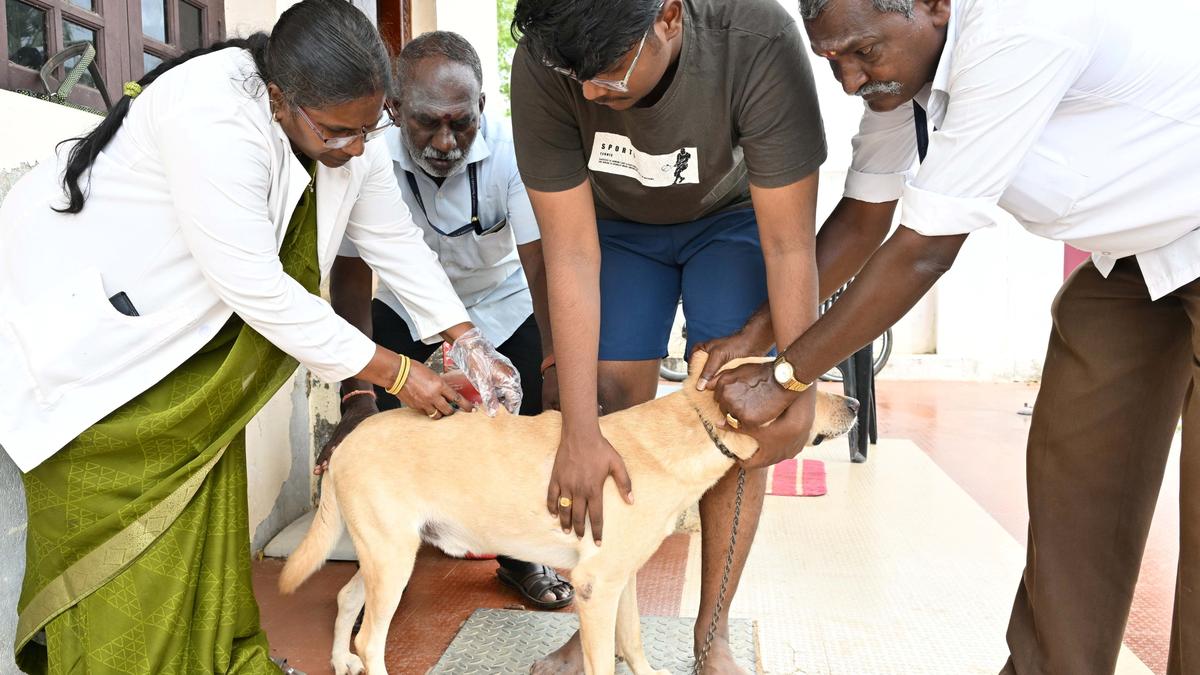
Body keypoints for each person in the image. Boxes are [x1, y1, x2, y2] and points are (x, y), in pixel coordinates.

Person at [0, 2, 519, 672]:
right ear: (280, 97)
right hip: (97, 352)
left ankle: (207, 658)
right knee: (118, 551)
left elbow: (394, 238)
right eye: (337, 134)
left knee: (199, 525)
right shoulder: (212, 114)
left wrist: (467, 339)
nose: (356, 149)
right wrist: (397, 373)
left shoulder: (342, 127)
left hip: (187, 363)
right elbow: (255, 285)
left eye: (369, 129)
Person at [706, 0, 1200, 673]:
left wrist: (786, 376)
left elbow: (924, 252)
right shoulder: (903, 83)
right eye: (834, 61)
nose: (851, 81)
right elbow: (862, 219)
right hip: (1139, 255)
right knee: (1077, 480)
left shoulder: (1018, 28)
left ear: (934, 5)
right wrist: (757, 333)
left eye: (861, 52)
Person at [509, 0, 827, 671]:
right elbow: (568, 251)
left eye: (610, 77)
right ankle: (598, 629)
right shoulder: (547, 59)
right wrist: (577, 429)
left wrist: (795, 379)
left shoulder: (756, 38)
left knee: (734, 412)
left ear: (670, 17)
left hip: (734, 217)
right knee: (600, 404)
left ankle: (712, 638)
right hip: (614, 226)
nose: (592, 94)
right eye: (579, 79)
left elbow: (791, 241)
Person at [316, 30, 574, 611]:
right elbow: (353, 276)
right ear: (395, 108)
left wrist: (556, 365)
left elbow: (541, 267)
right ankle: (388, 559)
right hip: (409, 306)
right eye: (427, 123)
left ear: (482, 107)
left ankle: (519, 554)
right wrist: (356, 391)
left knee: (525, 426)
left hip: (503, 303)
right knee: (380, 426)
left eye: (461, 122)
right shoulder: (368, 154)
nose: (445, 141)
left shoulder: (513, 151)